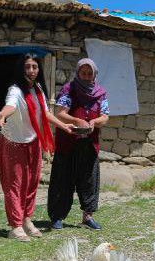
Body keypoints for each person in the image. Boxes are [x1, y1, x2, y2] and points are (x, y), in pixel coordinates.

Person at [0, 53, 74, 242]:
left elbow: (45, 113)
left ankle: (26, 219)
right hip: (14, 143)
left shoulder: (38, 89)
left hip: (33, 142)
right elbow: (10, 106)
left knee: (31, 184)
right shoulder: (15, 90)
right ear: (21, 69)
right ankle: (15, 226)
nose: (31, 70)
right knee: (15, 185)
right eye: (27, 67)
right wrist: (2, 115)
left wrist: (63, 126)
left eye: (34, 67)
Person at [47, 58, 109, 230]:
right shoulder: (69, 89)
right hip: (68, 142)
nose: (87, 76)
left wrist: (94, 122)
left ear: (94, 74)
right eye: (84, 73)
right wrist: (76, 120)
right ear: (78, 73)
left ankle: (87, 216)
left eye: (90, 73)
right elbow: (60, 113)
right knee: (63, 179)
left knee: (89, 179)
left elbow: (105, 116)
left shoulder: (100, 93)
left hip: (89, 143)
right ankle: (57, 216)